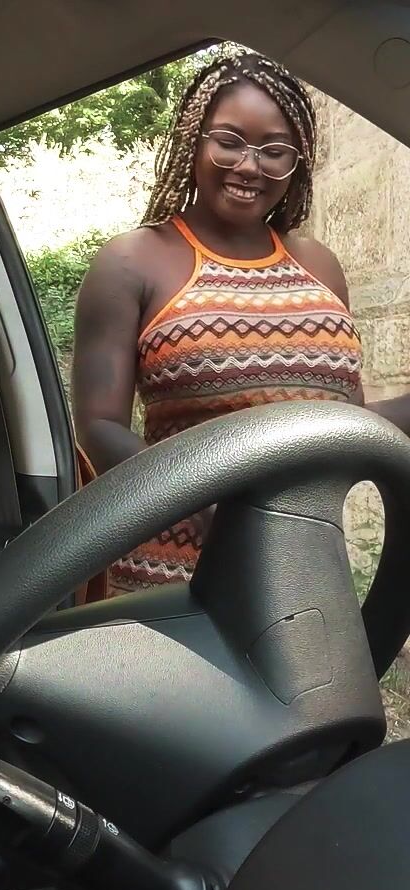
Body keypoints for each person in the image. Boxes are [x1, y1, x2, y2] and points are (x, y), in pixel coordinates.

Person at [72, 50, 410, 593]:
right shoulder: (132, 260)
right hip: (177, 576)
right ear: (194, 140)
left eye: (274, 151)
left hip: (304, 567)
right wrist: (199, 497)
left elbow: (343, 419)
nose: (250, 166)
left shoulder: (318, 264)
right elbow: (98, 426)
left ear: (296, 163)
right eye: (229, 141)